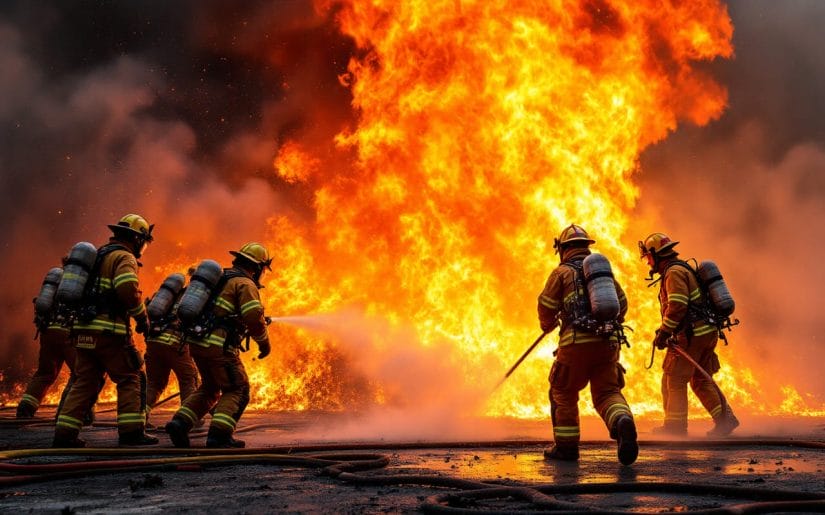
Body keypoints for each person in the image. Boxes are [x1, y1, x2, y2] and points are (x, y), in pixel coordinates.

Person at [53, 214, 158, 447]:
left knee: (85, 382)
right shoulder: (124, 257)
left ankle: (64, 435)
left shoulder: (96, 256)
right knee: (131, 377)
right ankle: (131, 432)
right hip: (109, 333)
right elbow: (127, 289)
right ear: (137, 239)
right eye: (143, 241)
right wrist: (141, 317)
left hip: (82, 331)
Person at [537, 224, 638, 465]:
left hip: (575, 344)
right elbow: (622, 305)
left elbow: (546, 304)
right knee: (607, 393)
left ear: (563, 249)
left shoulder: (561, 272)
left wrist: (547, 323)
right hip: (608, 343)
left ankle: (567, 449)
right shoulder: (603, 275)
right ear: (585, 246)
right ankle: (622, 421)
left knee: (563, 392)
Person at [165, 242, 272, 448]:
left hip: (197, 343)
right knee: (237, 389)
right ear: (257, 267)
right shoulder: (245, 284)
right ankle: (220, 435)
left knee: (210, 388)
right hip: (219, 347)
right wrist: (264, 343)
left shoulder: (219, 279)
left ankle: (180, 423)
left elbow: (225, 314)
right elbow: (253, 317)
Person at [639, 232, 739, 437]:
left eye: (648, 257)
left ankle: (675, 428)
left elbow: (677, 306)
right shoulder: (682, 268)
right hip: (706, 332)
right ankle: (724, 419)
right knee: (700, 379)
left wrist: (664, 332)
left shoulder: (673, 273)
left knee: (673, 377)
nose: (648, 263)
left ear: (656, 254)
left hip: (692, 335)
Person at [143, 270, 200, 428]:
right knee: (188, 379)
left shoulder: (163, 296)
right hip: (175, 344)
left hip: (153, 342)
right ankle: (189, 418)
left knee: (154, 383)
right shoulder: (194, 302)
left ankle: (140, 418)